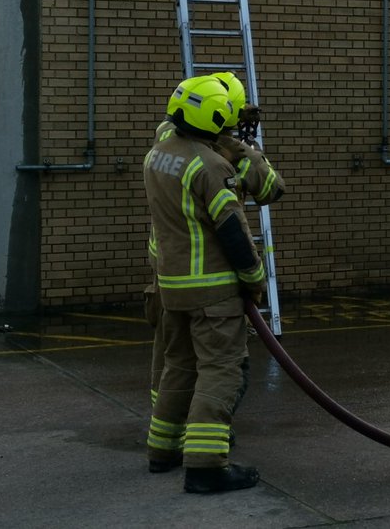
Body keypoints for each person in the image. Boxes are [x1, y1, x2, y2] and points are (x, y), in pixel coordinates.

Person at [143, 75, 267, 493]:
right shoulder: (210, 166)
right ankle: (206, 467)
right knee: (220, 373)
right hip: (212, 292)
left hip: (171, 286)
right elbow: (233, 232)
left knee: (178, 368)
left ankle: (161, 451)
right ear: (214, 117)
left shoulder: (159, 152)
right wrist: (255, 279)